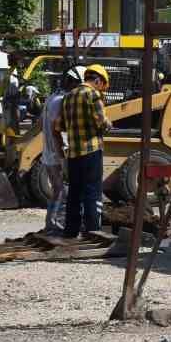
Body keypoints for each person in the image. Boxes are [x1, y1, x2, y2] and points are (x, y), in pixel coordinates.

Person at [59, 64, 111, 239]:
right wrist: (109, 124)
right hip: (91, 150)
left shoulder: (68, 96)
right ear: (97, 80)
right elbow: (102, 123)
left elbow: (60, 126)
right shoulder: (93, 95)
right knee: (92, 191)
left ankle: (70, 231)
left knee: (74, 192)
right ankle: (92, 230)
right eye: (102, 86)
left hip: (73, 153)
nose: (101, 90)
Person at [39, 67, 81, 234]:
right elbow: (58, 132)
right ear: (72, 82)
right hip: (57, 154)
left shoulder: (52, 98)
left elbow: (42, 124)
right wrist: (63, 159)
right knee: (63, 190)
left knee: (57, 190)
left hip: (49, 152)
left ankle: (51, 224)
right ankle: (57, 226)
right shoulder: (62, 101)